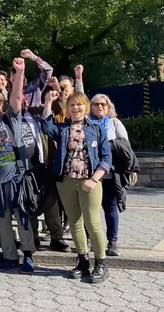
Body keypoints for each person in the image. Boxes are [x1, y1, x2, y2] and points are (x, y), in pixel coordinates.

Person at [42, 90, 111, 283]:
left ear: (85, 107)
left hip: (90, 182)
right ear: (67, 109)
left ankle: (101, 262)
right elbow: (46, 126)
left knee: (93, 222)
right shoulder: (63, 128)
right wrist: (48, 102)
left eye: (79, 104)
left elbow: (106, 158)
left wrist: (94, 179)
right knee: (75, 222)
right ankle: (82, 260)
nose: (76, 108)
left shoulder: (96, 128)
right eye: (72, 105)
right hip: (66, 181)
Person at [0, 57, 36, 274]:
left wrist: (20, 72)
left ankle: (28, 254)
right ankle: (9, 256)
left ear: (0, 104)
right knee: (2, 221)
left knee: (21, 219)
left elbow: (15, 96)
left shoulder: (10, 118)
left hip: (16, 178)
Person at [89, 93, 129, 257]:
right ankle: (92, 241)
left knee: (110, 208)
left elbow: (125, 145)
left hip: (110, 174)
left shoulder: (114, 123)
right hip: (90, 175)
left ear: (108, 107)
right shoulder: (87, 124)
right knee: (91, 210)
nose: (100, 107)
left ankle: (112, 241)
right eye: (96, 104)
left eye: (103, 104)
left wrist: (107, 144)